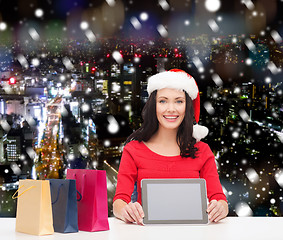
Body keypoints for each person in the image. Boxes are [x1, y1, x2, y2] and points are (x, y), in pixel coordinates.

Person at [113, 69, 228, 225]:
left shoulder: (203, 151)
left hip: (192, 233)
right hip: (147, 233)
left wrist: (220, 208)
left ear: (187, 107)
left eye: (179, 101)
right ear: (154, 105)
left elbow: (220, 199)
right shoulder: (133, 150)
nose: (171, 109)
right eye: (163, 101)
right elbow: (119, 201)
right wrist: (125, 211)